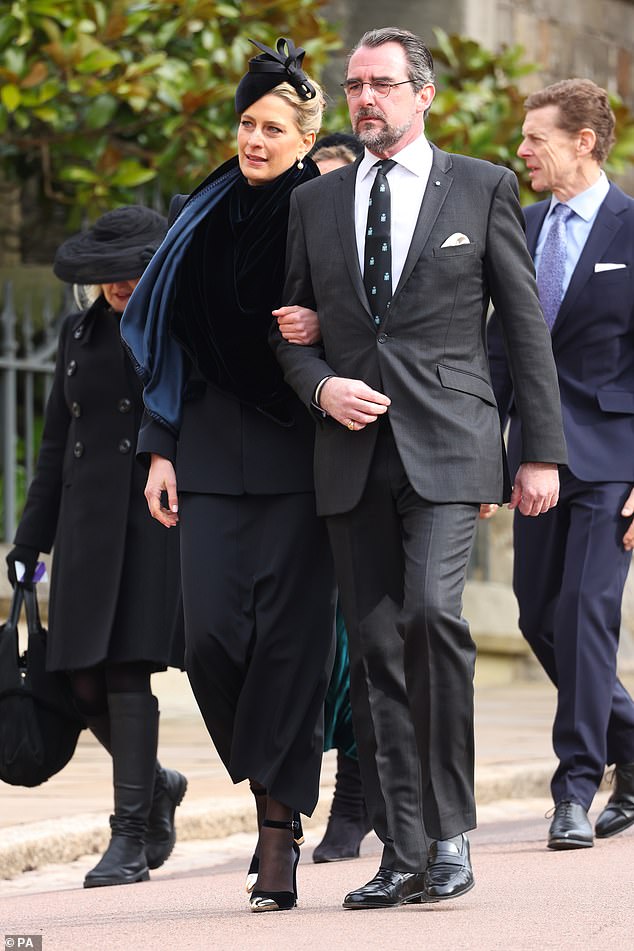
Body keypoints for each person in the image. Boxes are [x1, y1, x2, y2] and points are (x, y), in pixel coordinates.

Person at [271, 26, 567, 909]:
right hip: (351, 453)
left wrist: (540, 449)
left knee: (434, 618)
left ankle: (449, 834)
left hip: (452, 447)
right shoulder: (313, 205)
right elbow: (292, 333)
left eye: (383, 85)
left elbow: (522, 328)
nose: (366, 98)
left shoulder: (482, 188)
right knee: (373, 647)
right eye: (355, 85)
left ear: (422, 94)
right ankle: (400, 850)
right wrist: (322, 388)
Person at [120, 38, 336, 914]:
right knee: (210, 638)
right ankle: (270, 769)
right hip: (205, 452)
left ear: (301, 134)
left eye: (272, 127)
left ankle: (277, 833)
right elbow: (166, 342)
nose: (254, 139)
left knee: (289, 647)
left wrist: (319, 319)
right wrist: (160, 448)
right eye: (247, 123)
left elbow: (362, 316)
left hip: (297, 457)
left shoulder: (325, 210)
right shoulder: (195, 214)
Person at [5, 206, 186, 888]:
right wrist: (29, 542)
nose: (118, 285)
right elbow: (54, 445)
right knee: (80, 682)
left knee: (124, 670)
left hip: (150, 519)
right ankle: (158, 782)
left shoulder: (175, 329)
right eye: (106, 274)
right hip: (83, 526)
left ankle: (130, 837)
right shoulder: (75, 333)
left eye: (130, 272)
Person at [486, 78, 634, 850]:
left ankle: (576, 786)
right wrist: (485, 458)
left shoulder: (633, 228)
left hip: (614, 459)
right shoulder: (523, 223)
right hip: (532, 460)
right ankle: (632, 741)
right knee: (538, 615)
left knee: (583, 613)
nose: (520, 151)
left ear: (583, 140)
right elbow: (499, 351)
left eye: (535, 136)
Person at [305, 133, 373, 866]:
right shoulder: (292, 235)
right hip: (292, 463)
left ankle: (354, 801)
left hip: (367, 453)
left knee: (358, 642)